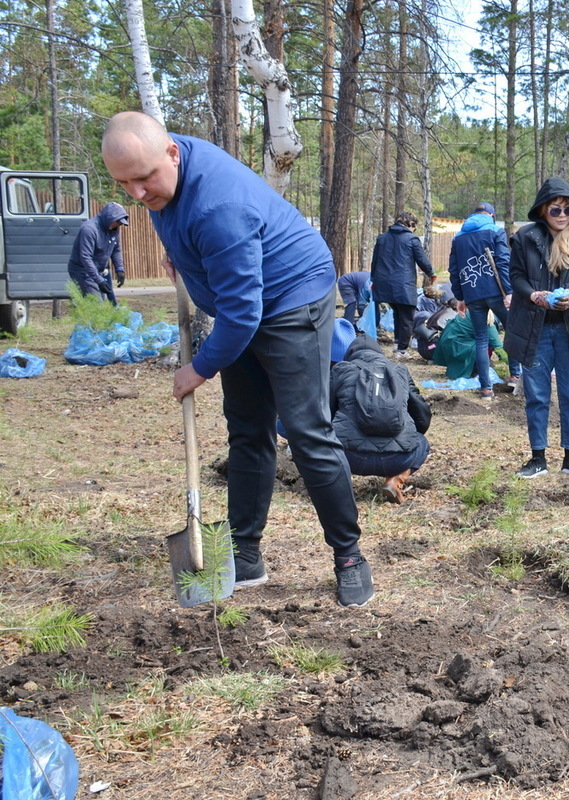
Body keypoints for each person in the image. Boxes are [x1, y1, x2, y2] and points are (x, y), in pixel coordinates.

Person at [101, 111, 373, 608]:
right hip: (242, 304)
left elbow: (244, 313)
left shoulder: (218, 206)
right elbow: (174, 217)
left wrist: (198, 368)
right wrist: (180, 254)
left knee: (306, 430)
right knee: (247, 429)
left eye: (144, 180)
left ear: (172, 154)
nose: (137, 194)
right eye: (124, 184)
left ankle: (349, 556)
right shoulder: (163, 168)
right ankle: (245, 552)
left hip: (291, 298)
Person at [505, 177, 569, 479]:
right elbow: (516, 277)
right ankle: (537, 458)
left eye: (568, 211)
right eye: (556, 210)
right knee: (536, 395)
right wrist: (534, 296)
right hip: (535, 329)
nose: (562, 216)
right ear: (543, 210)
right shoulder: (525, 238)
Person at [330, 331, 431, 503]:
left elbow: (324, 413)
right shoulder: (399, 371)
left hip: (348, 458)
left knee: (320, 440)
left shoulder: (342, 370)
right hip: (397, 459)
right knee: (422, 443)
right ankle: (396, 480)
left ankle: (333, 485)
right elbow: (422, 414)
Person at [448, 201, 521, 399]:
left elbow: (454, 271)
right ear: (491, 215)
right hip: (496, 292)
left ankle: (486, 389)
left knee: (481, 339)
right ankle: (515, 376)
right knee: (513, 331)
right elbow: (504, 263)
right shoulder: (496, 232)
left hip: (472, 295)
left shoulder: (458, 238)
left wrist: (460, 297)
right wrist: (509, 291)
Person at [371, 211, 435, 359]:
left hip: (385, 283)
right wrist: (431, 273)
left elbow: (375, 261)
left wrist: (374, 280)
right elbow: (422, 260)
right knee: (407, 317)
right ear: (410, 224)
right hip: (404, 284)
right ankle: (402, 350)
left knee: (397, 313)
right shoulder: (412, 239)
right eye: (415, 226)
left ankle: (397, 344)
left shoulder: (382, 238)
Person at [67, 201, 129, 305]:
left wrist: (119, 269)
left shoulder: (114, 229)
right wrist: (99, 280)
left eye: (120, 223)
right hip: (82, 270)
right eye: (117, 222)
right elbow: (85, 257)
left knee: (104, 301)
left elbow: (116, 248)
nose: (118, 225)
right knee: (97, 304)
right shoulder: (89, 229)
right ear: (109, 217)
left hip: (98, 270)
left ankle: (89, 319)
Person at [434, 308, 502, 381]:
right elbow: (497, 345)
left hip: (447, 341)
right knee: (485, 346)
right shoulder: (487, 318)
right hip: (458, 345)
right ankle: (477, 370)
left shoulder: (474, 309)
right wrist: (511, 364)